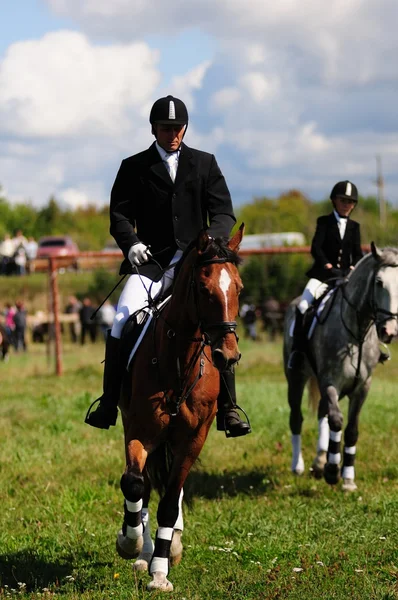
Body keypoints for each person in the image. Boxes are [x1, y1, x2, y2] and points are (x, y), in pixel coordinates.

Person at [85, 94, 251, 437]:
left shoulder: (205, 163)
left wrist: (211, 241)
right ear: (153, 129)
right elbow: (119, 216)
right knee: (120, 319)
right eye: (166, 128)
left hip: (197, 264)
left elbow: (223, 213)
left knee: (219, 322)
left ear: (185, 128)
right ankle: (109, 401)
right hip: (151, 264)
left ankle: (229, 408)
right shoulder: (134, 166)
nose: (173, 134)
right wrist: (131, 245)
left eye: (178, 128)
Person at [289, 180, 363, 368]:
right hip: (323, 276)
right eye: (343, 200)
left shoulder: (355, 227)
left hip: (347, 278)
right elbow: (316, 248)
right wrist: (328, 266)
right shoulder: (324, 222)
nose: (347, 204)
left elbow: (358, 254)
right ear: (334, 201)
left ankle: (372, 349)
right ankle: (298, 351)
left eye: (350, 201)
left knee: (366, 304)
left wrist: (354, 267)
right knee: (303, 305)